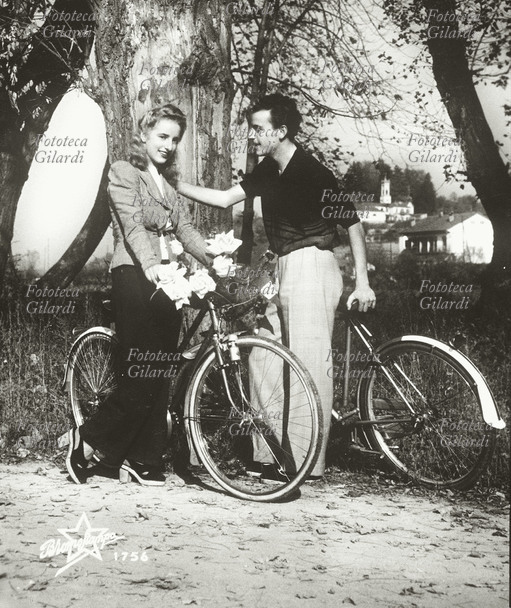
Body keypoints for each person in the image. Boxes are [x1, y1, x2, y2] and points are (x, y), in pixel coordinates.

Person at [177, 93, 376, 480]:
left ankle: (305, 464)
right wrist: (174, 185)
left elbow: (351, 224)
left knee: (307, 360)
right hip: (282, 266)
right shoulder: (269, 170)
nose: (251, 136)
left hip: (314, 266)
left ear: (280, 131)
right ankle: (269, 453)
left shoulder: (312, 172)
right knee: (263, 355)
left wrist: (362, 282)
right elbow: (223, 199)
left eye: (257, 129)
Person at [66, 103, 224, 486]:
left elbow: (184, 229)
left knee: (159, 373)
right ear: (144, 135)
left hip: (167, 280)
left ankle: (142, 458)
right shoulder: (124, 172)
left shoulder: (167, 184)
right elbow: (133, 225)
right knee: (140, 372)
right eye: (162, 136)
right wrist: (152, 264)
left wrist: (213, 256)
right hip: (134, 275)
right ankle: (87, 439)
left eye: (174, 139)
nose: (168, 145)